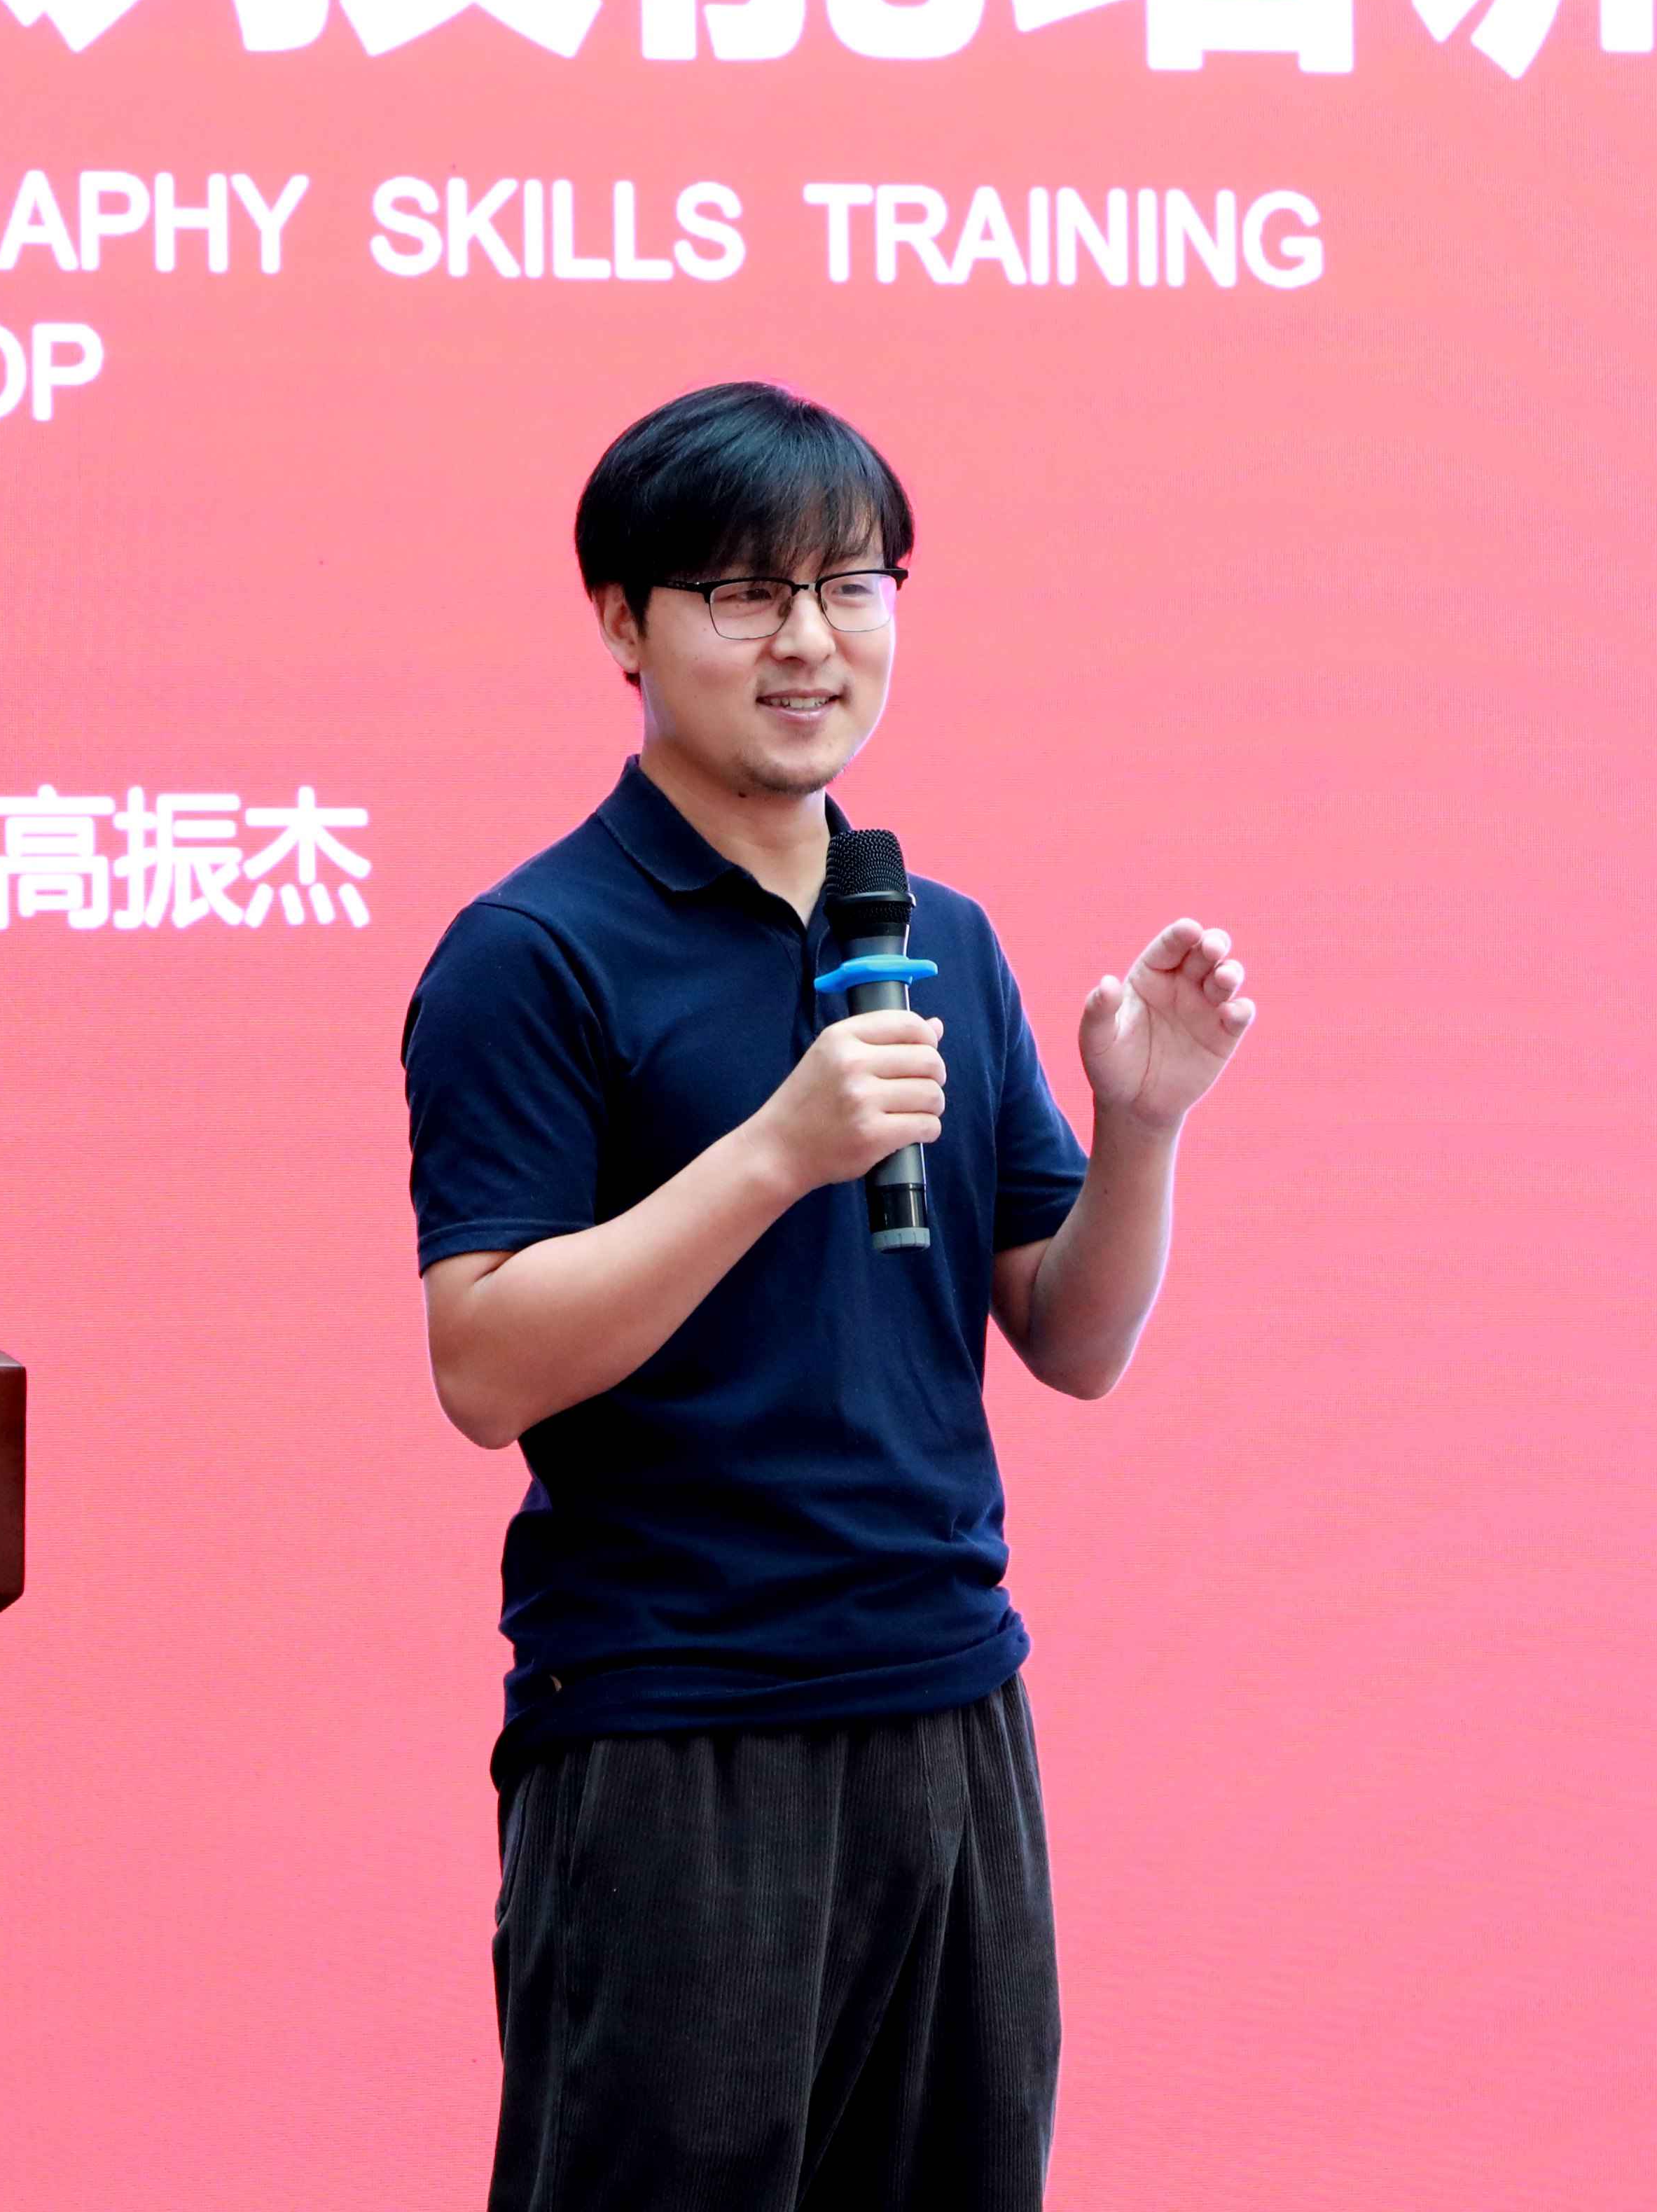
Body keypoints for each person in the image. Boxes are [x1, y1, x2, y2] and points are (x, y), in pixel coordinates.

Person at [405, 379, 1254, 2212]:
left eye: (852, 587)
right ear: (623, 624)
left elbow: (1073, 1339)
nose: (810, 640)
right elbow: (485, 1364)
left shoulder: (938, 937)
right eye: (745, 593)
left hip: (948, 1705)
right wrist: (776, 1152)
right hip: (674, 1729)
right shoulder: (533, 952)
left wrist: (1143, 1127)